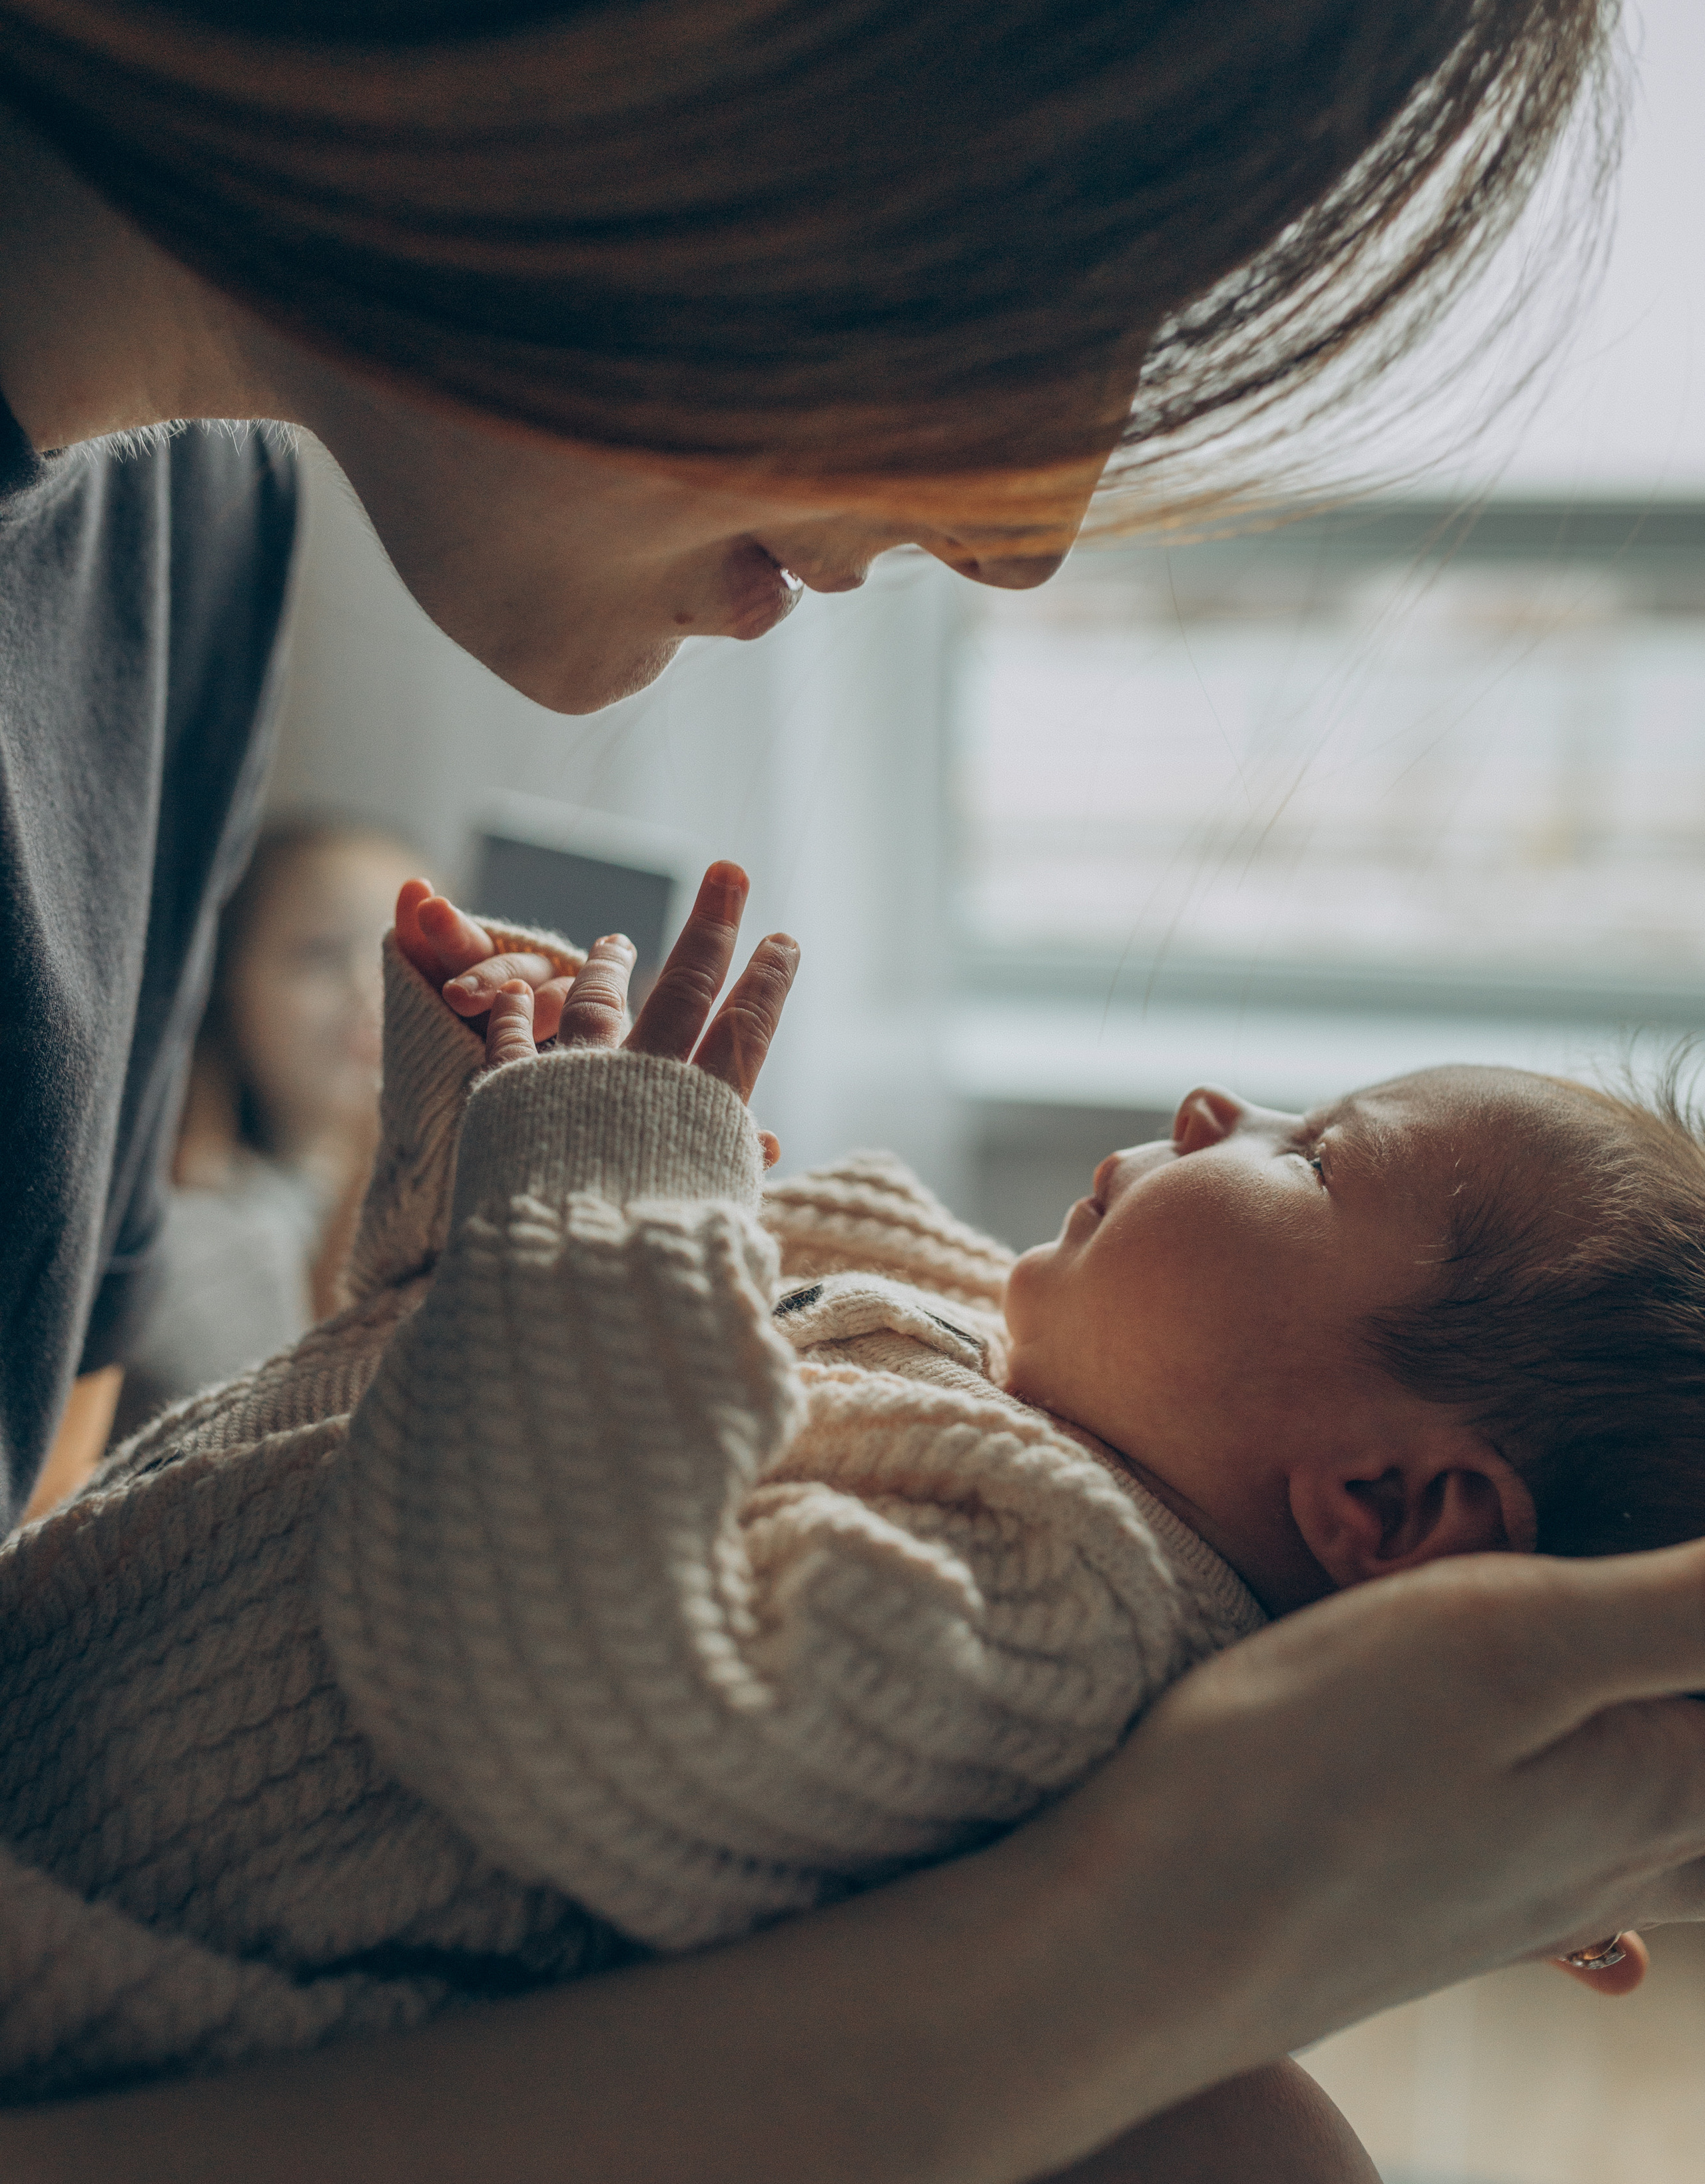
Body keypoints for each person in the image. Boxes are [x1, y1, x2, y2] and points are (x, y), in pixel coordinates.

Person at [3, 0, 1705, 2184]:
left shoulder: (186, 530)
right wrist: (1201, 1917)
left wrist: (465, 1236)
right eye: (1078, 238)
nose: (1026, 528)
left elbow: (334, 1557)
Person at [0, 860, 1678, 2103]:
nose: (1216, 1101)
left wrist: (600, 1179)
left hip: (94, 1940)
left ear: (1382, 1506)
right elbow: (436, 1381)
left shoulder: (1066, 1626)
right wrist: (501, 1126)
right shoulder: (986, 1332)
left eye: (1314, 1156)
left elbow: (559, 1663)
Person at [108, 820, 425, 1445]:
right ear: (225, 981)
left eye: (406, 960)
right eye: (320, 953)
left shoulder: (423, 1201)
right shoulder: (196, 1230)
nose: (369, 991)